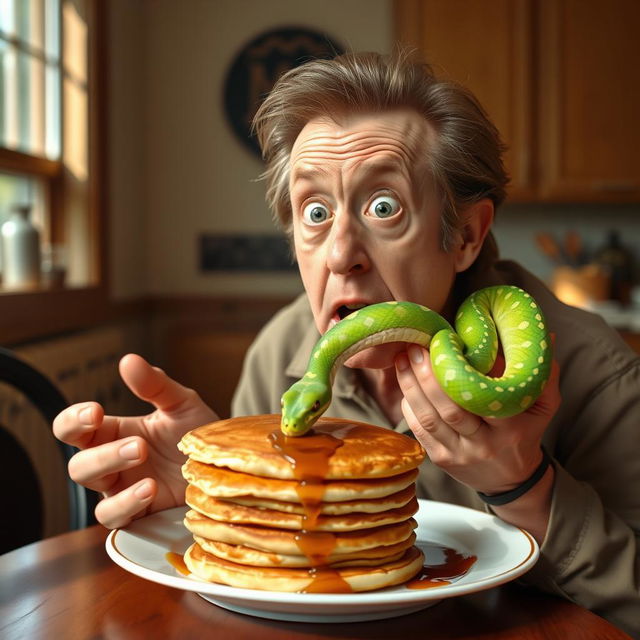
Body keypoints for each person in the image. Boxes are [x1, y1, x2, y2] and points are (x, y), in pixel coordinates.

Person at [53, 51, 639, 636]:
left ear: (464, 236)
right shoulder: (281, 349)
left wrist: (527, 488)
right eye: (315, 211)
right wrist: (216, 499)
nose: (340, 254)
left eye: (384, 208)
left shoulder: (594, 371)